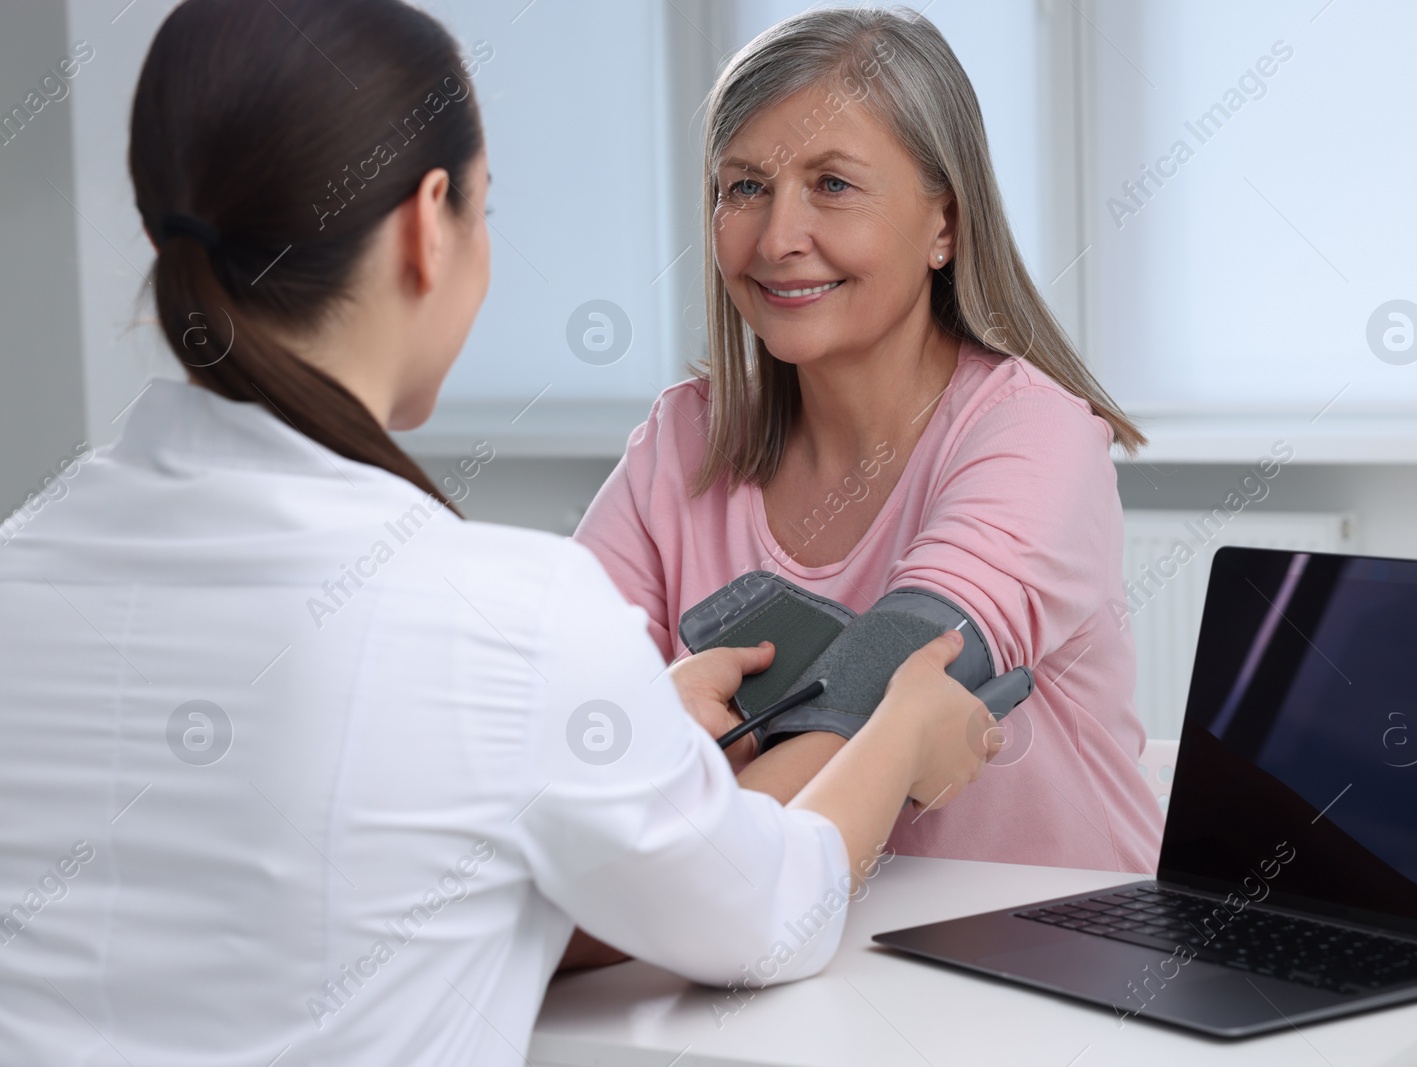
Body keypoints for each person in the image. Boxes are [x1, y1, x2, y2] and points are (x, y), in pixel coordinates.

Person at [0, 1, 994, 1062]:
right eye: (487, 209)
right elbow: (768, 916)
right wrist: (896, 733)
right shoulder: (513, 619)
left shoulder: (22, 565)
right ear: (430, 223)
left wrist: (630, 727)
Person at [575, 8, 1164, 871]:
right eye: (743, 187)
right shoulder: (681, 440)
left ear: (945, 225)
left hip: (1052, 967)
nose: (777, 239)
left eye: (833, 185)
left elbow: (881, 691)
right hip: (788, 972)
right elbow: (561, 720)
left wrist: (651, 847)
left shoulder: (1035, 434)